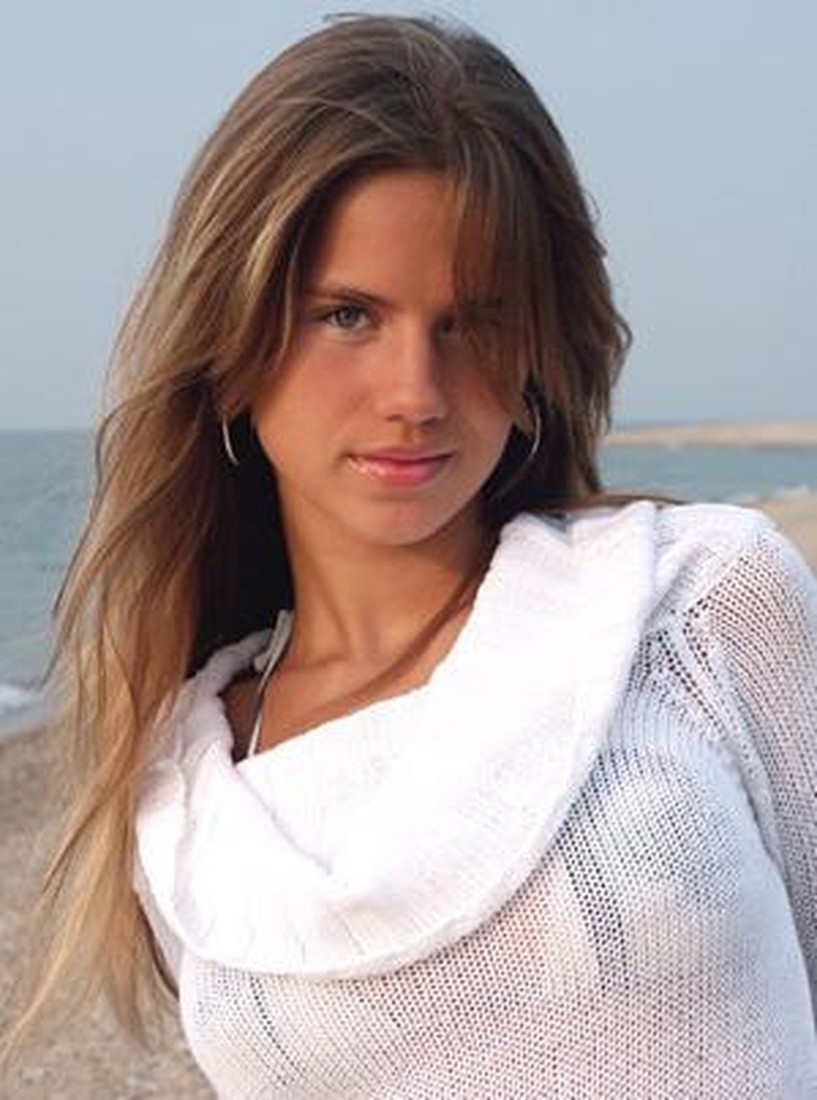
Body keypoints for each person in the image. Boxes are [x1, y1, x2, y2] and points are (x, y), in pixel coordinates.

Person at [9, 13, 817, 1097]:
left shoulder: (695, 604)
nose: (416, 394)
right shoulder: (192, 794)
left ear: (536, 347)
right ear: (231, 340)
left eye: (472, 320)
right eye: (348, 315)